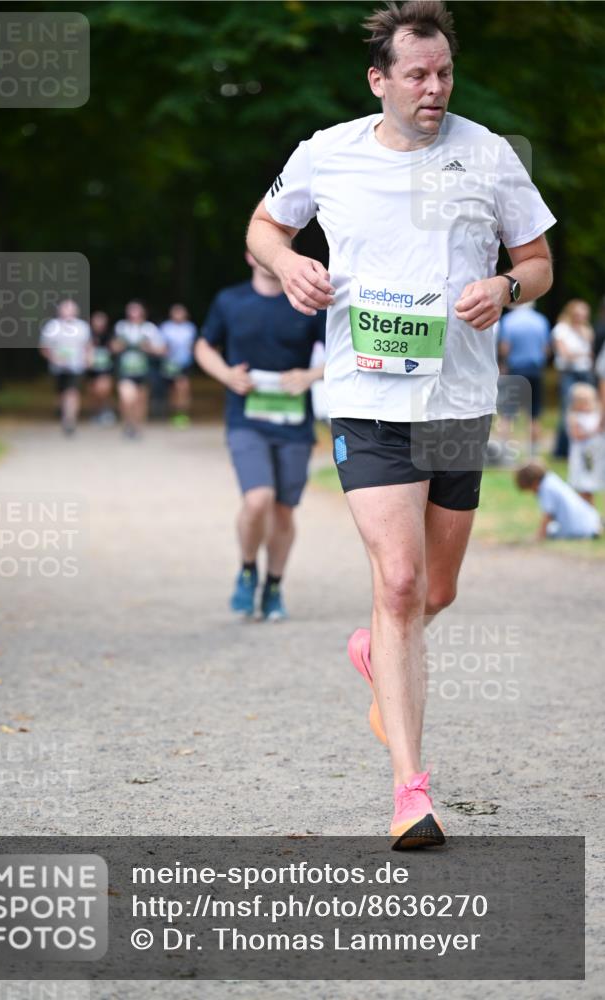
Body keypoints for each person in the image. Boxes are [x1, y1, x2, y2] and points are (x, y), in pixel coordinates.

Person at [246, 0, 555, 847]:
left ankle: (370, 651)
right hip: (365, 399)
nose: (433, 88)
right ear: (378, 79)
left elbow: (536, 259)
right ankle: (410, 795)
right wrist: (286, 261)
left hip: (457, 402)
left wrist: (505, 288)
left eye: (444, 72)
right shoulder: (327, 153)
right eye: (416, 74)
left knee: (435, 592)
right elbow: (264, 226)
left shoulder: (488, 155)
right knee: (399, 584)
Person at [194, 252, 325, 621]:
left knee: (283, 512)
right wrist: (226, 375)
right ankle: (248, 570)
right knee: (258, 500)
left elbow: (347, 349)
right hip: (245, 419)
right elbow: (204, 346)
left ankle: (274, 586)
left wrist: (310, 376)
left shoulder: (305, 302)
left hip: (294, 424)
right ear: (250, 253)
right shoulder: (230, 300)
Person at [497, 301, 551, 451]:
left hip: (515, 370)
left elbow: (504, 348)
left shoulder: (508, 321)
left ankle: (503, 448)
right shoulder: (541, 320)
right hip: (535, 370)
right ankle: (533, 451)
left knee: (507, 412)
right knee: (534, 413)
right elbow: (546, 349)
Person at [112, 301, 164, 438]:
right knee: (127, 398)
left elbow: (161, 350)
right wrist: (120, 344)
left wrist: (148, 347)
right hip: (125, 370)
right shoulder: (121, 327)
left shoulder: (150, 329)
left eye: (137, 312)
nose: (134, 315)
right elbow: (113, 347)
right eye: (131, 312)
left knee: (140, 401)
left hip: (144, 370)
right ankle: (128, 423)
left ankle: (137, 426)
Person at [39, 299, 91, 435]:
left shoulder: (82, 327)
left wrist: (88, 359)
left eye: (70, 309)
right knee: (62, 394)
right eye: (65, 309)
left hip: (76, 366)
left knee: (72, 392)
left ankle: (70, 420)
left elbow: (88, 346)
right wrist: (54, 359)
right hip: (58, 367)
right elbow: (44, 347)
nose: (67, 312)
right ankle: (64, 414)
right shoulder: (52, 326)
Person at [552, 299, 595, 458]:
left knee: (588, 408)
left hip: (584, 371)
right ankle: (563, 449)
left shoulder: (586, 329)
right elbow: (565, 354)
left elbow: (589, 353)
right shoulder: (562, 329)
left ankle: (586, 444)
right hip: (569, 372)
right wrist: (581, 354)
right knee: (568, 408)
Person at [516, 460, 602, 540]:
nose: (533, 493)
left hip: (579, 529)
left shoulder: (546, 488)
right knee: (552, 528)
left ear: (535, 482)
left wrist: (539, 536)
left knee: (551, 530)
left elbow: (548, 514)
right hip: (592, 523)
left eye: (531, 489)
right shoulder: (551, 479)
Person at [157, 303, 198, 427]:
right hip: (170, 364)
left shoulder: (190, 328)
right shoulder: (166, 327)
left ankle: (182, 413)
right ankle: (174, 412)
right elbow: (161, 345)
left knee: (183, 387)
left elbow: (193, 345)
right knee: (173, 390)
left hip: (185, 363)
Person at [566, 383, 604, 504]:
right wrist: (595, 431)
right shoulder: (574, 416)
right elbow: (576, 435)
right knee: (584, 487)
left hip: (595, 457)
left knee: (591, 486)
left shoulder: (596, 416)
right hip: (582, 457)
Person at [85, 310, 116, 425]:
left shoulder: (110, 334)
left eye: (101, 320)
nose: (99, 323)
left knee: (103, 389)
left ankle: (106, 410)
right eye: (96, 320)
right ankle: (96, 413)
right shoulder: (87, 335)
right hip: (91, 369)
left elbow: (115, 348)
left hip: (106, 368)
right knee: (93, 392)